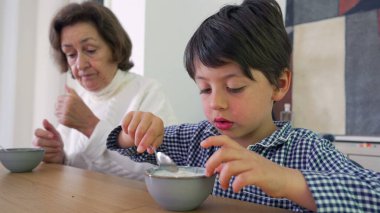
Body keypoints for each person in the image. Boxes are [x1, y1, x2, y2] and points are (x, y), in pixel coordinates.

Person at [106, 0, 380, 212]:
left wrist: (285, 180)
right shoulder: (198, 139)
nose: (216, 103)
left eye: (235, 87)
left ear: (279, 84)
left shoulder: (305, 149)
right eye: (204, 88)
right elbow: (132, 148)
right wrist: (135, 131)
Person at [32, 1, 177, 181]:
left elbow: (166, 171)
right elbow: (77, 166)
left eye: (90, 50)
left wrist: (90, 126)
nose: (80, 64)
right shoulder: (79, 98)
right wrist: (59, 157)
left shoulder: (147, 92)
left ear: (114, 47)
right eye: (70, 54)